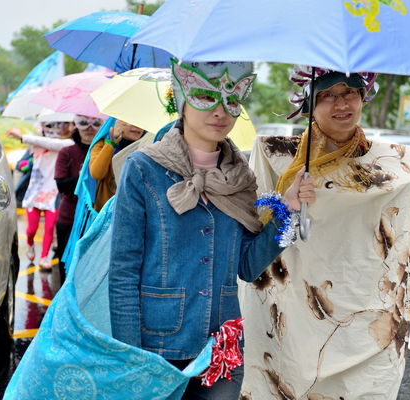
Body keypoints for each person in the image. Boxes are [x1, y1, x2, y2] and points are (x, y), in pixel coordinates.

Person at [109, 60, 315, 399]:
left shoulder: (241, 176)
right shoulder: (144, 169)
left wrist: (287, 210)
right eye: (206, 96)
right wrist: (129, 357)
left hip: (222, 347)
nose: (220, 111)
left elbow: (247, 266)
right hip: (156, 346)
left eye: (231, 101)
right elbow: (123, 272)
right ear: (181, 99)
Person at [238, 67, 410, 399]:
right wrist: (288, 205)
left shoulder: (393, 166)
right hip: (293, 312)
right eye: (329, 95)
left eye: (350, 93)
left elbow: (399, 242)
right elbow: (254, 230)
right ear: (310, 105)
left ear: (363, 97)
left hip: (363, 314)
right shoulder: (277, 158)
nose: (342, 104)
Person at [6, 123, 74, 269]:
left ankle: (44, 257)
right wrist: (30, 161)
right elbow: (20, 166)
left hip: (53, 195)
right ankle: (30, 244)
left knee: (49, 228)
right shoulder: (35, 144)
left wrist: (22, 137)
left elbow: (52, 144)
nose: (55, 130)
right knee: (31, 230)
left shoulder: (66, 146)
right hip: (34, 193)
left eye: (59, 126)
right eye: (50, 127)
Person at [54, 114, 103, 284]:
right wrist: (85, 175)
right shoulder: (66, 152)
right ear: (76, 126)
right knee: (66, 267)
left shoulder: (106, 151)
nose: (89, 129)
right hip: (69, 218)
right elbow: (61, 185)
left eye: (95, 124)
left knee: (91, 271)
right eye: (83, 123)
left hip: (96, 219)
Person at [89, 119, 145, 211]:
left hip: (135, 210)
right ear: (116, 122)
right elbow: (97, 173)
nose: (137, 126)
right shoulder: (102, 145)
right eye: (131, 121)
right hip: (107, 212)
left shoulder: (148, 147)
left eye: (141, 121)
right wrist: (111, 144)